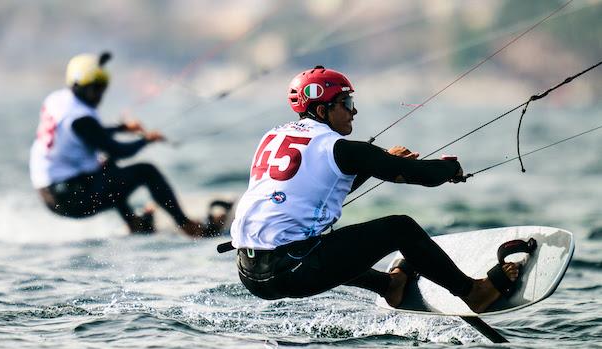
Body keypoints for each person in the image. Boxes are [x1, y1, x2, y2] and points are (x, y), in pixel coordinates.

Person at [223, 66, 520, 313]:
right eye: (347, 104)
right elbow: (418, 176)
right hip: (291, 272)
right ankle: (473, 292)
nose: (354, 111)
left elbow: (322, 189)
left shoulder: (273, 136)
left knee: (319, 243)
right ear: (324, 109)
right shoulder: (340, 147)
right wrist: (450, 170)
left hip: (249, 273)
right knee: (400, 228)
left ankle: (389, 285)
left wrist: (378, 162)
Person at [29, 51, 228, 236]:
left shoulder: (58, 100)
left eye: (101, 88)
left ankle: (134, 223)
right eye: (93, 89)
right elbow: (118, 150)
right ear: (78, 85)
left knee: (107, 165)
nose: (98, 95)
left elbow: (86, 134)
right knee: (146, 171)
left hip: (53, 192)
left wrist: (121, 128)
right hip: (71, 200)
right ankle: (188, 226)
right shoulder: (81, 118)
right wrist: (146, 140)